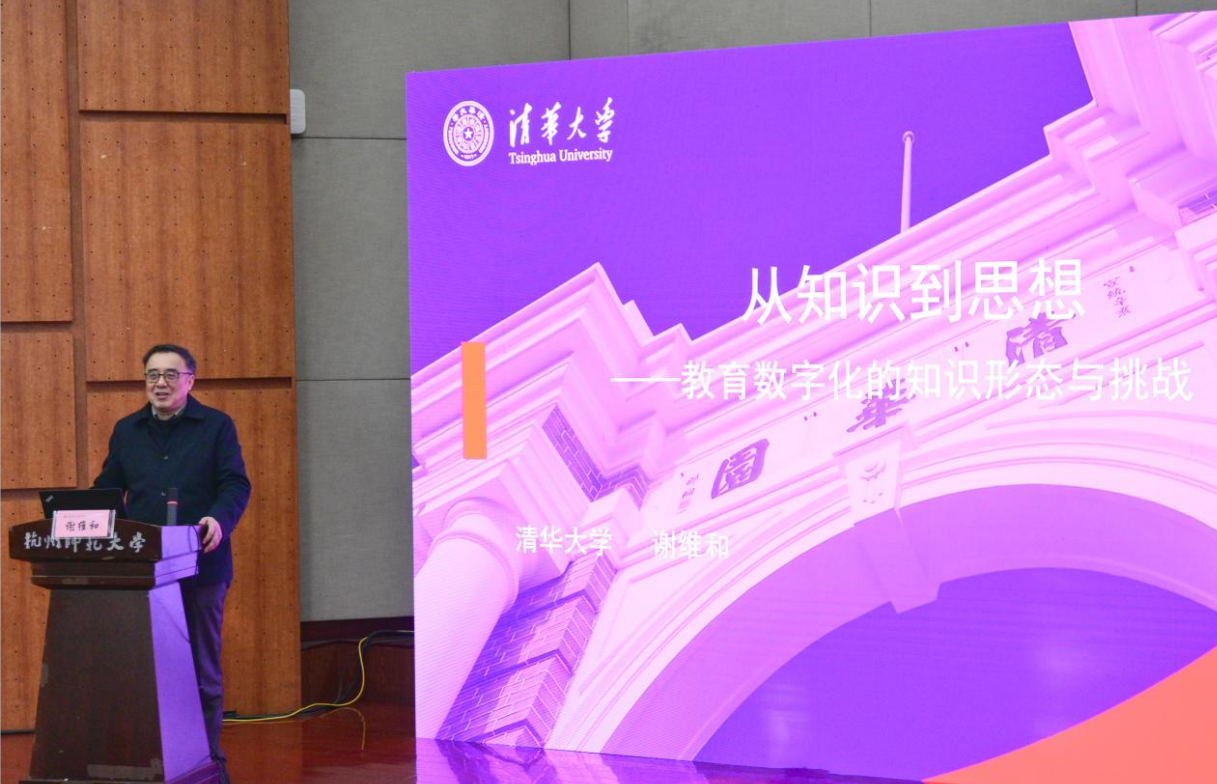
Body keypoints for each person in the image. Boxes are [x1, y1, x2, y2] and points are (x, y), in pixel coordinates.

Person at [93, 344, 251, 781]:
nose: (159, 383)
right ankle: (151, 759)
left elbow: (235, 484)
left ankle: (208, 760)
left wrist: (219, 519)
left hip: (202, 565)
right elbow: (108, 491)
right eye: (152, 375)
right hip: (142, 571)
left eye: (169, 375)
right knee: (145, 669)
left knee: (202, 669)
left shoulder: (216, 426)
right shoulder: (127, 430)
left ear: (189, 380)